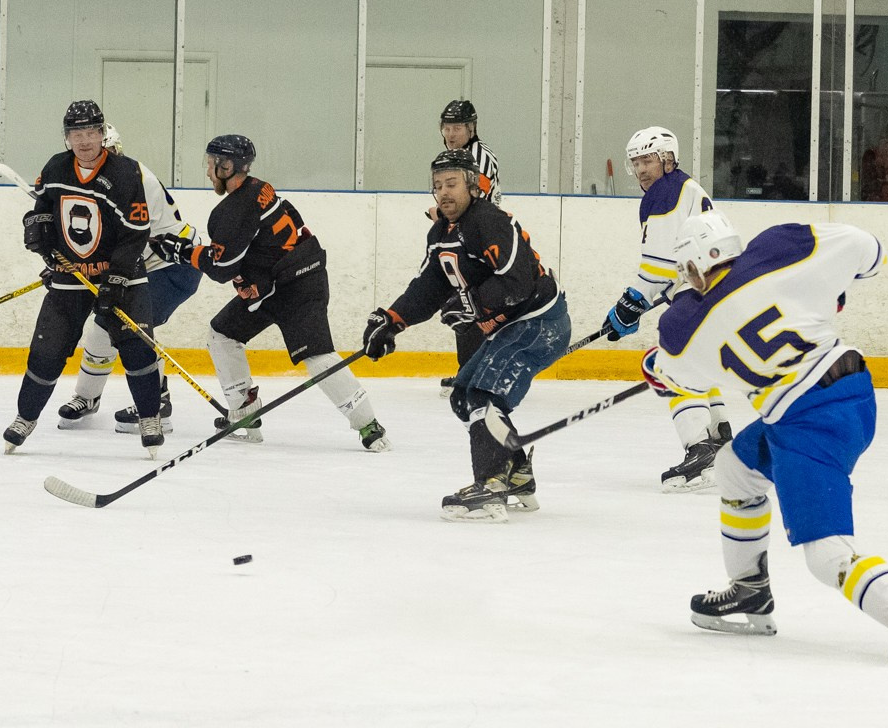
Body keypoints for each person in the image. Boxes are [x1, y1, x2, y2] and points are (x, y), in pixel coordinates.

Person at [644, 210, 888, 667]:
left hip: (809, 424)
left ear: (698, 264)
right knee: (734, 469)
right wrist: (830, 287)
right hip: (850, 392)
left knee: (825, 554)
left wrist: (655, 367)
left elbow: (678, 377)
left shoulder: (684, 325)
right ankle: (749, 592)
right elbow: (870, 250)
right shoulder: (780, 248)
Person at [362, 150, 571, 523]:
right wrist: (393, 319)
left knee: (483, 394)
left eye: (452, 184)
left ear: (473, 186)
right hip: (514, 324)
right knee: (463, 395)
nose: (443, 193)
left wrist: (475, 303)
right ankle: (517, 473)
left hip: (540, 321)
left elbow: (518, 280)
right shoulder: (440, 233)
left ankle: (491, 485)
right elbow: (429, 286)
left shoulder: (488, 221)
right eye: (437, 186)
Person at [183, 133, 389, 452]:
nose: (207, 171)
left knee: (317, 355)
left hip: (299, 285)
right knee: (221, 333)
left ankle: (368, 425)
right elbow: (290, 219)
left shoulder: (232, 210)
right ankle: (245, 412)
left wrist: (185, 252)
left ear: (226, 166)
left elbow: (221, 267)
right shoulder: (259, 187)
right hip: (272, 286)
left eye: (211, 164)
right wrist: (257, 277)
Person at [5, 100, 168, 455]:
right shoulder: (56, 167)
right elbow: (43, 210)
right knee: (47, 352)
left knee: (138, 348)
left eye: (90, 132)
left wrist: (117, 277)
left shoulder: (126, 173)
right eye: (75, 133)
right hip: (71, 274)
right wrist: (39, 234)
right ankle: (25, 417)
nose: (83, 141)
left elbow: (137, 231)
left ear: (102, 133)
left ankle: (150, 418)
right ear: (67, 138)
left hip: (121, 275)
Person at [596, 126, 731, 491]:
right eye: (636, 162)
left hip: (701, 294)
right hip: (717, 291)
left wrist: (629, 305)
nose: (641, 169)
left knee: (668, 365)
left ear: (668, 160)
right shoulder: (684, 187)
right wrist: (635, 304)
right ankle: (721, 439)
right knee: (696, 365)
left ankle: (700, 449)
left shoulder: (666, 192)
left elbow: (657, 270)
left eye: (648, 160)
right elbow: (673, 266)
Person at [56, 123, 203, 434]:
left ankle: (158, 404)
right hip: (148, 265)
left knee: (130, 328)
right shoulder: (103, 180)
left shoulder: (133, 181)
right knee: (103, 328)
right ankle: (87, 398)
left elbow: (129, 240)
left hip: (172, 266)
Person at [434, 99, 501, 393]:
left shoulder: (478, 157)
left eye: (458, 127)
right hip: (466, 238)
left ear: (471, 128)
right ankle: (470, 371)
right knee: (465, 305)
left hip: (482, 240)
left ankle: (479, 373)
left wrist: (438, 214)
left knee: (474, 304)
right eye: (447, 127)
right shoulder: (452, 158)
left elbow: (475, 200)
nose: (451, 133)